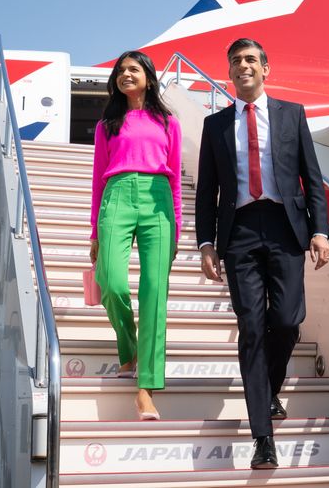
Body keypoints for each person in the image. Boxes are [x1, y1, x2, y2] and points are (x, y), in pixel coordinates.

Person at [196, 38, 329, 469]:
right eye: (235, 61)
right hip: (238, 234)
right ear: (229, 73)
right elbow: (206, 192)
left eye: (251, 59)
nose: (243, 66)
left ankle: (268, 390)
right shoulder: (215, 125)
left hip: (285, 228)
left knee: (288, 321)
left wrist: (321, 231)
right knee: (252, 329)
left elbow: (312, 177)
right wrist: (206, 243)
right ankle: (263, 438)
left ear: (266, 68)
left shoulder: (291, 115)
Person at [89, 50, 182, 421]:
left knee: (155, 294)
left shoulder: (168, 122)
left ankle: (145, 390)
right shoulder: (107, 125)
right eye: (120, 70)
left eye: (133, 69)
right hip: (116, 195)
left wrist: (175, 225)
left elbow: (174, 177)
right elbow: (97, 179)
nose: (126, 74)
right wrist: (95, 229)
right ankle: (127, 347)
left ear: (148, 76)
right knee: (111, 282)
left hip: (158, 199)